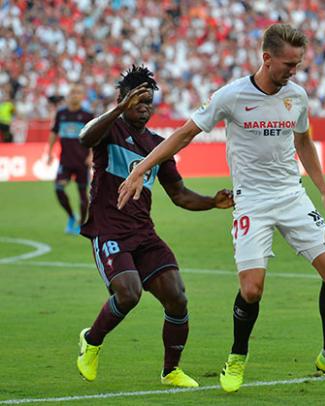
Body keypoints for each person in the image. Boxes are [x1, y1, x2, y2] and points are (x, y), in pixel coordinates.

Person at [117, 24, 325, 392]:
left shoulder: (296, 96)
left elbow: (304, 141)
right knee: (252, 290)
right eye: (288, 64)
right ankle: (236, 358)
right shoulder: (231, 96)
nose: (293, 72)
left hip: (292, 197)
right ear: (266, 58)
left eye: (298, 65)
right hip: (251, 200)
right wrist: (141, 167)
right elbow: (185, 133)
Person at [76, 65, 234, 388]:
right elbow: (84, 137)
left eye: (150, 101)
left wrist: (211, 202)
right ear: (123, 99)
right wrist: (119, 109)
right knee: (129, 292)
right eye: (139, 99)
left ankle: (171, 371)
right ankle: (91, 341)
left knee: (177, 296)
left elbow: (179, 194)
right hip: (108, 230)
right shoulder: (109, 131)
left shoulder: (159, 146)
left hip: (143, 234)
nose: (145, 106)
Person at [47, 84, 94, 234]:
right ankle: (71, 217)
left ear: (82, 96)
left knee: (82, 196)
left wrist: (91, 155)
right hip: (65, 161)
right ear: (68, 95)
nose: (75, 95)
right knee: (58, 188)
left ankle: (81, 224)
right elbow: (54, 132)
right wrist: (49, 152)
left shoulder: (87, 115)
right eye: (72, 92)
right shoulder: (61, 114)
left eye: (78, 92)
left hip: (82, 162)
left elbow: (94, 136)